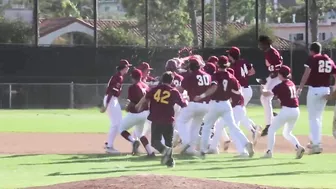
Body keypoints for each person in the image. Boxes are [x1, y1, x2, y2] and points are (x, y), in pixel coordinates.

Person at [194, 56, 254, 159]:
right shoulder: (232, 77)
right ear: (227, 65)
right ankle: (246, 143)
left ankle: (203, 150)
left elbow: (214, 87)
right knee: (234, 127)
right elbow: (238, 92)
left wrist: (202, 96)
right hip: (226, 104)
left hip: (215, 103)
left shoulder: (216, 75)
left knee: (207, 126)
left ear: (218, 65)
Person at [136, 71, 187, 168]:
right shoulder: (174, 91)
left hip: (156, 118)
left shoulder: (155, 89)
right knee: (168, 142)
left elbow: (146, 97)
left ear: (162, 80)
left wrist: (138, 105)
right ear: (171, 81)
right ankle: (170, 162)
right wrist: (186, 99)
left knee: (155, 142)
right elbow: (183, 104)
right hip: (169, 119)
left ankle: (165, 152)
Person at [297, 42, 336, 154]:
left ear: (311, 50)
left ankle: (316, 144)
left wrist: (300, 88)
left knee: (313, 118)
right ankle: (314, 140)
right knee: (318, 117)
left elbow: (306, 74)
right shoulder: (328, 59)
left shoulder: (313, 58)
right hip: (325, 89)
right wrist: (334, 88)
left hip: (315, 90)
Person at [261, 65, 305, 159]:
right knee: (287, 133)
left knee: (271, 129)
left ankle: (269, 152)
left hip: (287, 110)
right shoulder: (291, 83)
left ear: (281, 75)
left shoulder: (280, 86)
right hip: (296, 111)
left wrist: (262, 86)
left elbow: (266, 94)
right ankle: (298, 147)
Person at [175, 57, 212, 155]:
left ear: (190, 67)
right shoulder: (208, 76)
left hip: (194, 104)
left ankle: (186, 142)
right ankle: (191, 149)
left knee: (180, 121)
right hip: (206, 105)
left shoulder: (190, 76)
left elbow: (181, 89)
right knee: (195, 126)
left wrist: (171, 89)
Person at [227, 46, 260, 143]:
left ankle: (252, 129)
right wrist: (245, 76)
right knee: (240, 111)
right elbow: (253, 71)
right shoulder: (245, 62)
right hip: (248, 89)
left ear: (231, 55)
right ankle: (253, 128)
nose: (228, 56)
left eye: (229, 54)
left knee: (237, 111)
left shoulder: (233, 66)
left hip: (240, 90)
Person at [119, 69, 154, 157]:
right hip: (146, 113)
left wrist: (127, 108)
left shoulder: (133, 87)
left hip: (135, 113)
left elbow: (132, 102)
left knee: (121, 128)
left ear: (132, 77)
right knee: (140, 134)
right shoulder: (145, 86)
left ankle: (134, 141)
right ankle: (150, 152)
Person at [101, 59, 131, 154]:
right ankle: (109, 146)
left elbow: (113, 92)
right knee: (116, 124)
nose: (128, 68)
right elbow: (111, 92)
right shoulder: (118, 77)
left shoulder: (118, 76)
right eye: (127, 67)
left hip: (112, 99)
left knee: (117, 123)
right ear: (124, 67)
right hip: (111, 99)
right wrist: (106, 105)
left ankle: (108, 144)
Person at [258, 35, 283, 137]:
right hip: (274, 77)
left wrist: (271, 76)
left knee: (265, 97)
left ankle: (269, 124)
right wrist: (268, 77)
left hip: (277, 77)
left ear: (266, 43)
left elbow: (278, 67)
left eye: (261, 43)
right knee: (264, 98)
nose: (259, 45)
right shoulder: (269, 52)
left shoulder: (272, 52)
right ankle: (271, 117)